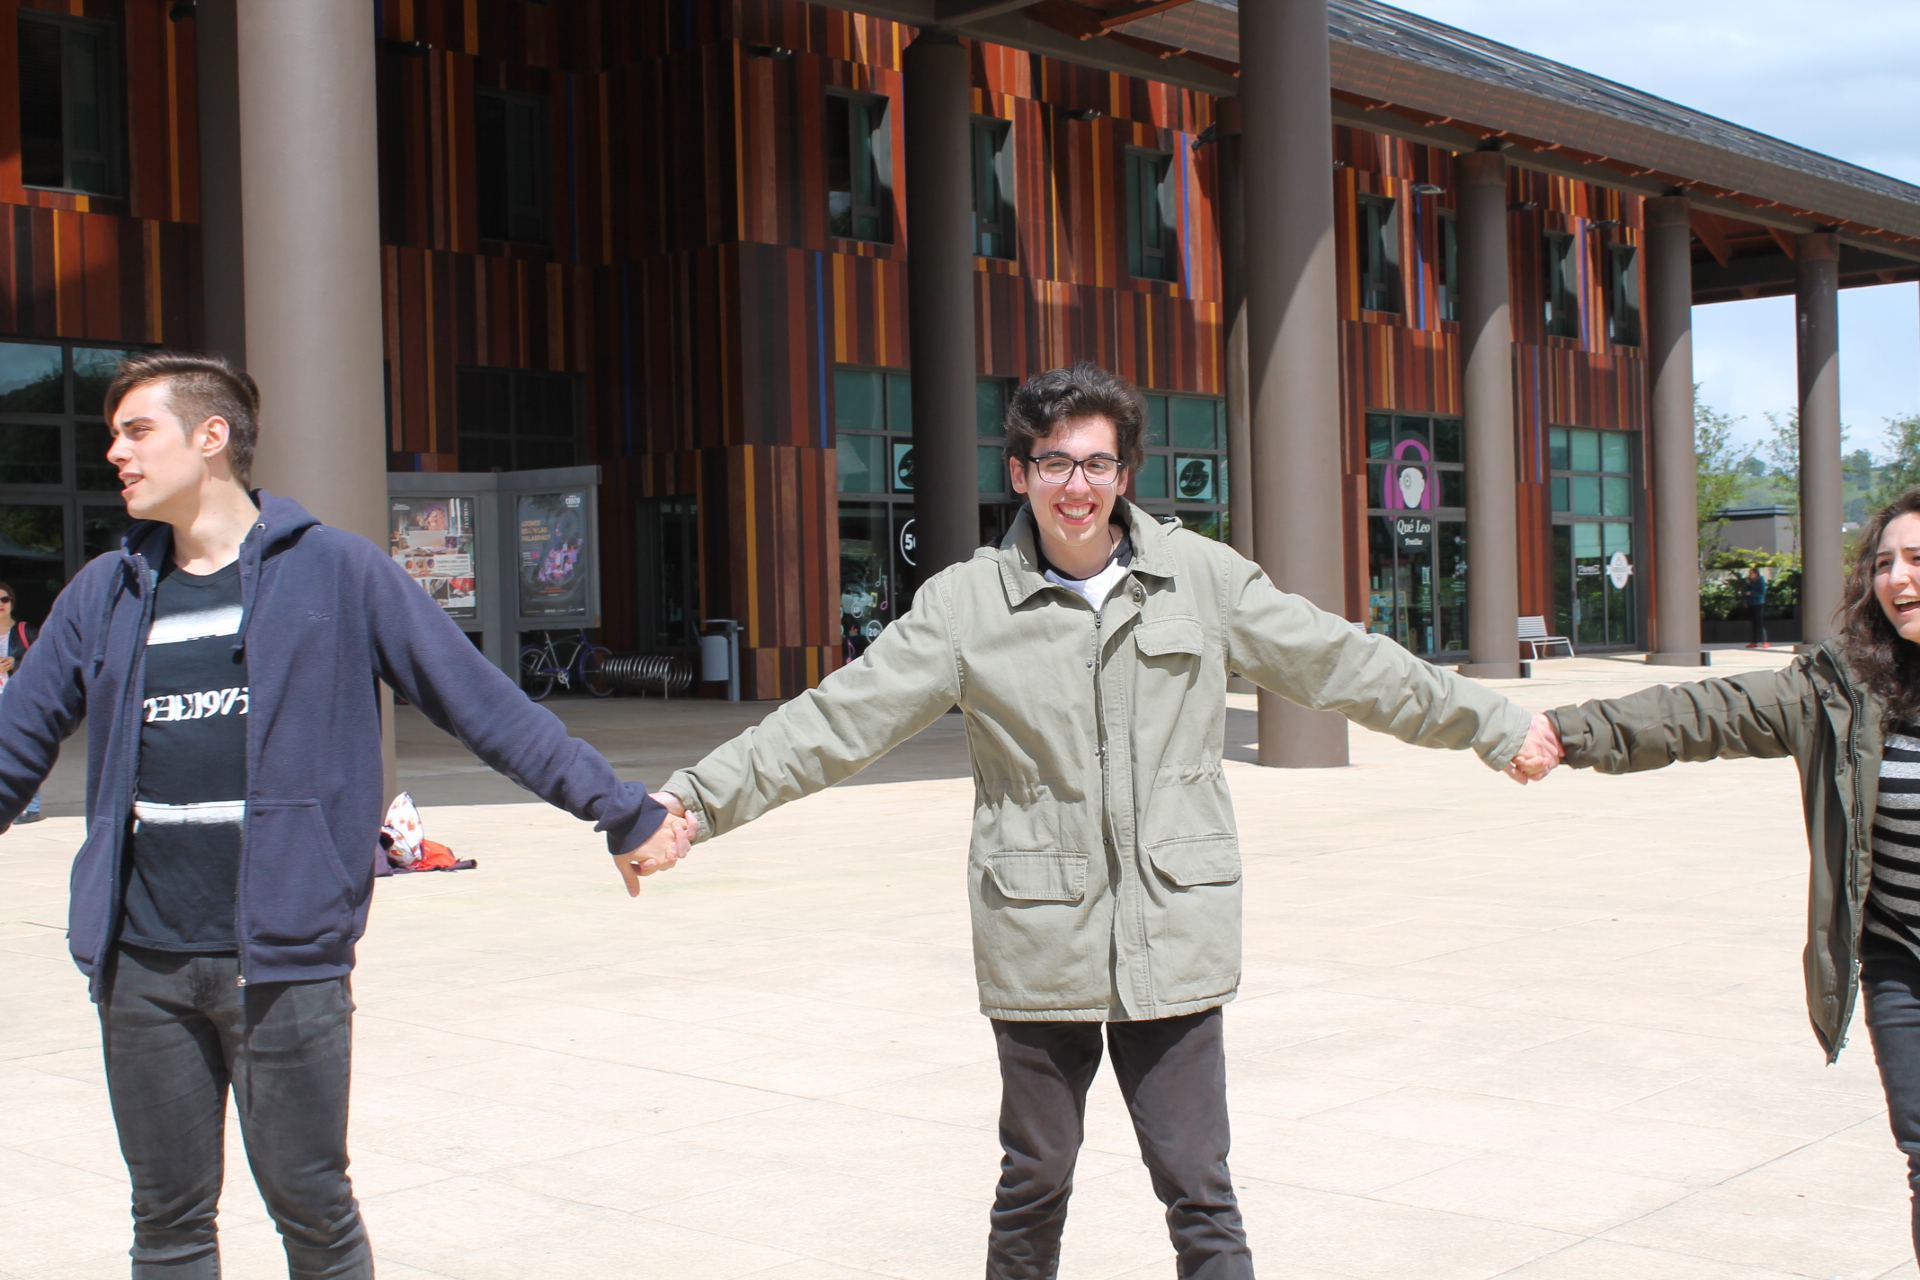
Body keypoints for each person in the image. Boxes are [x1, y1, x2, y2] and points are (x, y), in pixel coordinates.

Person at [654, 362, 1557, 1279]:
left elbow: (1345, 663)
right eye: (1054, 462)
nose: (1076, 486)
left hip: (1176, 929)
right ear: (1020, 473)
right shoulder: (967, 605)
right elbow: (837, 720)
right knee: (1035, 1178)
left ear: (1124, 474)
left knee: (1199, 1185)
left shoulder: (1202, 579)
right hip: (1039, 935)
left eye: (1096, 464)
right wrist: (696, 799)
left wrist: (1492, 725)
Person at [0, 352, 691, 1280]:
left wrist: (619, 810)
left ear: (210, 438)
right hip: (141, 962)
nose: (116, 454)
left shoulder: (335, 571)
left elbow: (481, 705)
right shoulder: (106, 591)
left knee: (313, 1211)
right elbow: (14, 743)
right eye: (112, 436)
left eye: (136, 431)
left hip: (284, 959)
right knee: (166, 1222)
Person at [1513, 486, 1920, 1264]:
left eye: (1917, 560)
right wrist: (1566, 732)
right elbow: (1705, 712)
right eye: (1883, 563)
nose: (1897, 579)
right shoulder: (1843, 687)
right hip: (1903, 958)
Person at [0, 580, 43, 822]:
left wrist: (15, 662)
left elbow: (43, 660)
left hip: (17, 698)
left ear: (11, 602)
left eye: (4, 599)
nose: (0, 604)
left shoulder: (25, 631)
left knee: (21, 751)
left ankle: (30, 806)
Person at [1746, 565, 1770, 648]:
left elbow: (1762, 593)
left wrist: (1752, 593)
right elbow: (1745, 590)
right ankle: (1754, 641)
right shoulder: (1750, 581)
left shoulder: (1760, 580)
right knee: (1754, 623)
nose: (1751, 575)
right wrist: (1748, 583)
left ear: (1756, 573)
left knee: (1760, 623)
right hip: (1751, 603)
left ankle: (1765, 641)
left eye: (1752, 573)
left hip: (1759, 603)